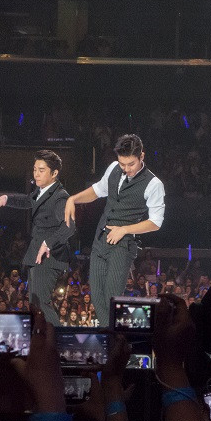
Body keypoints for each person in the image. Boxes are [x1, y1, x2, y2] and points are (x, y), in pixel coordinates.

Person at [64, 134, 165, 327]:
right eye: (122, 164)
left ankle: (112, 338)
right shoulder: (113, 168)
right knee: (96, 296)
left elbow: (155, 222)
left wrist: (124, 229)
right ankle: (112, 335)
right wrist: (73, 199)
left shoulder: (154, 184)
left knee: (111, 297)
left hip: (123, 244)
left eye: (131, 164)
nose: (126, 168)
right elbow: (97, 190)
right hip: (100, 239)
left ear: (142, 156)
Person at [0, 150, 75, 326]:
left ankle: (58, 338)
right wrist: (7, 199)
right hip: (38, 253)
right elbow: (28, 200)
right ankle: (43, 337)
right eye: (35, 169)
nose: (36, 174)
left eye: (41, 170)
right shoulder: (42, 190)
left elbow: (69, 226)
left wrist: (48, 243)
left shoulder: (60, 197)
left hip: (49, 255)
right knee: (35, 304)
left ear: (54, 173)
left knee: (41, 303)